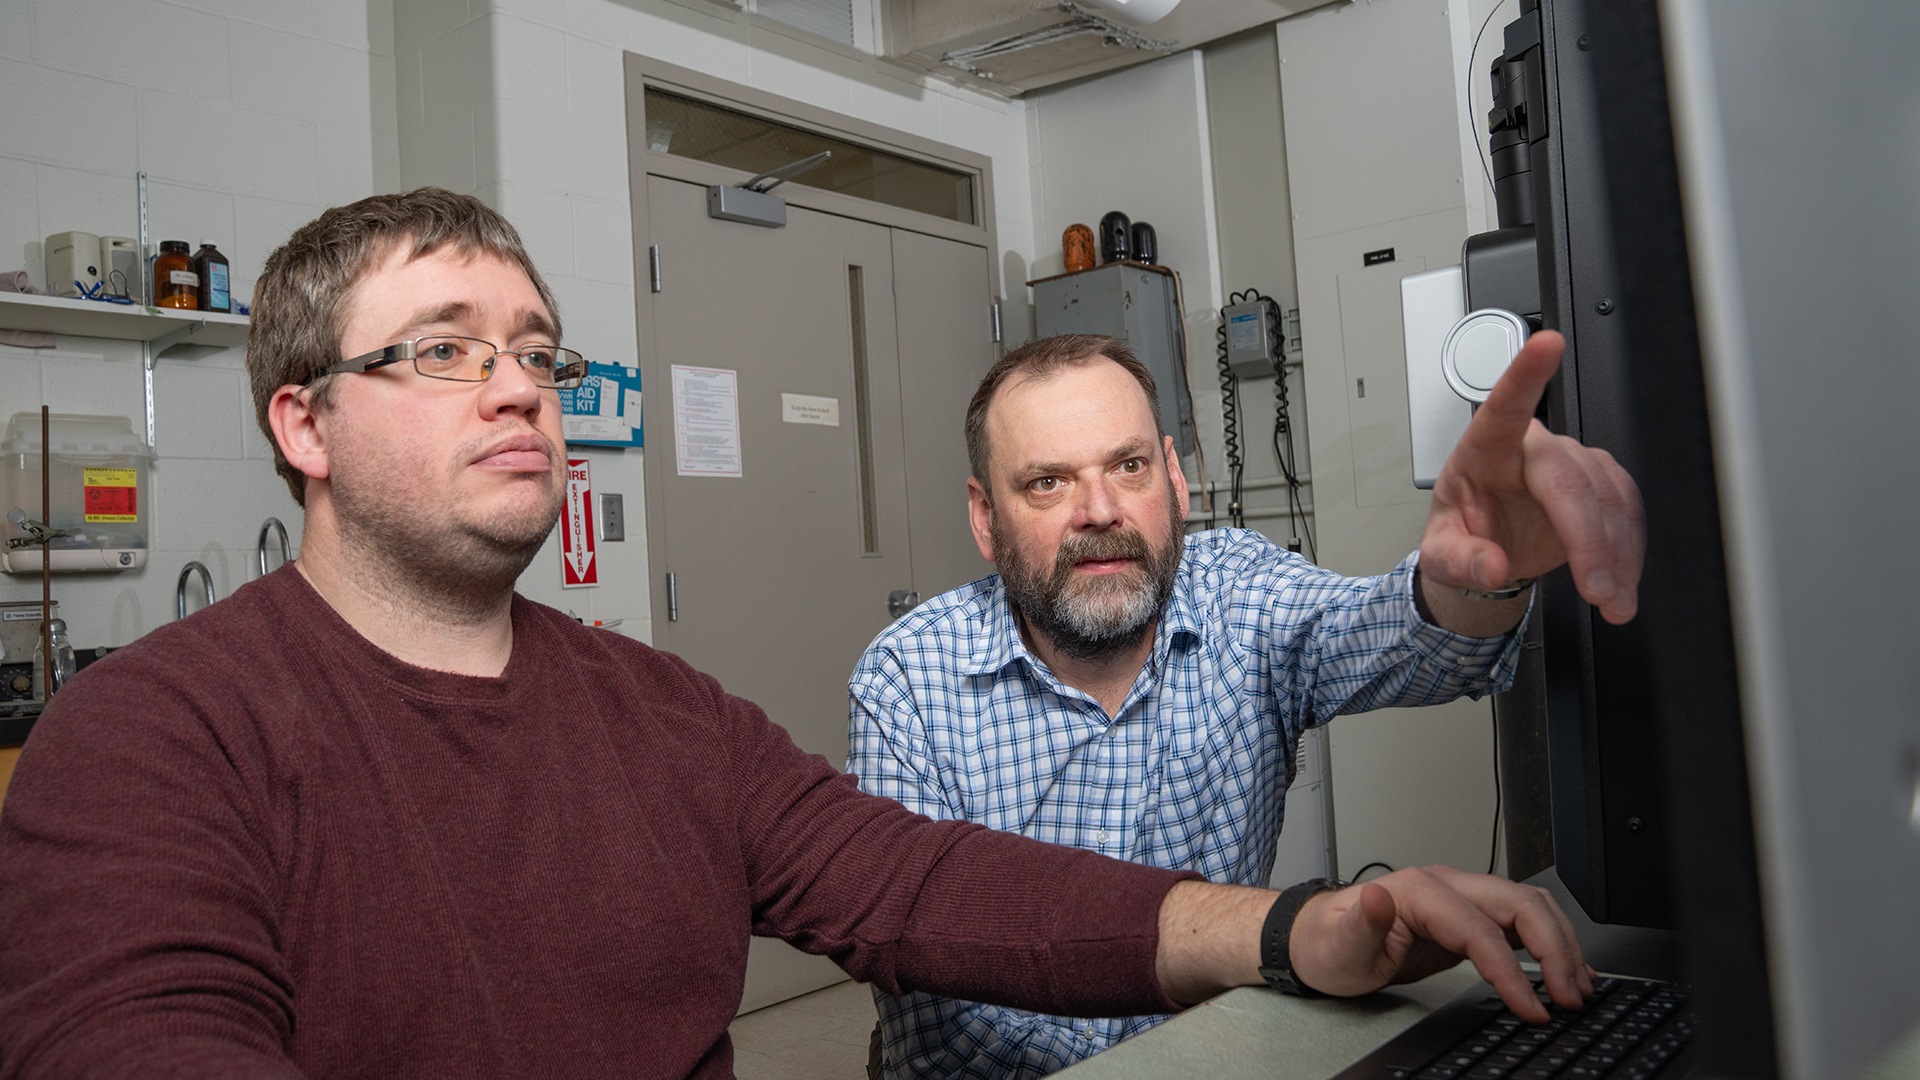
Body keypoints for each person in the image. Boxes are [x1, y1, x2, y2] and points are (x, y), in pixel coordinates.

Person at [0, 191, 1596, 1080]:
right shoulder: (150, 737)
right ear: (306, 423)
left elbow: (925, 888)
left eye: (538, 355)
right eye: (439, 351)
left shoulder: (662, 717)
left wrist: (1296, 931)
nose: (516, 388)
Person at [848, 333, 1642, 1078]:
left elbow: (1404, 640)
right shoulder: (909, 679)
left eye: (1127, 467)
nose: (1099, 511)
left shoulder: (1239, 592)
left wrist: (1480, 572)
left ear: (1175, 478)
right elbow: (927, 975)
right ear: (987, 517)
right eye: (1047, 482)